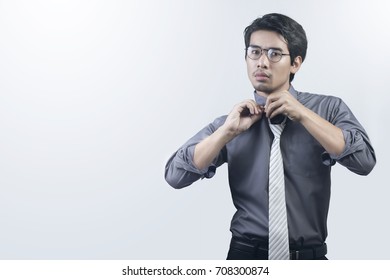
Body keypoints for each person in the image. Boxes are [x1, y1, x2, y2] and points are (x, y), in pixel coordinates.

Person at [164, 13, 376, 260]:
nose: (262, 62)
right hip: (245, 258)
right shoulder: (232, 122)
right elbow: (175, 175)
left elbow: (364, 162)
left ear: (295, 63)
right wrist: (226, 133)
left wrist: (304, 115)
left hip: (308, 260)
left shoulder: (328, 110)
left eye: (274, 54)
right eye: (254, 52)